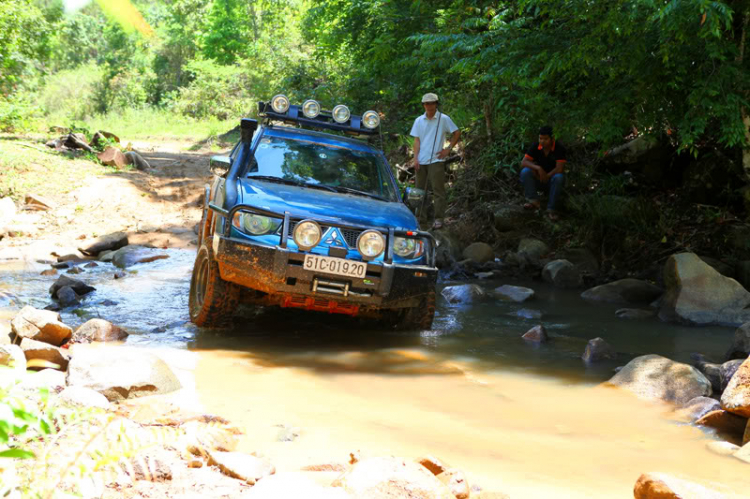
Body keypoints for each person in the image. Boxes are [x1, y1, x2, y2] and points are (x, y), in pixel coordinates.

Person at [410, 92, 460, 230]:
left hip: (436, 160)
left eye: (431, 103)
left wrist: (448, 149)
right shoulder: (419, 120)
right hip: (421, 160)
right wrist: (415, 159)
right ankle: (420, 220)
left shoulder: (443, 119)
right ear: (423, 105)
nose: (429, 106)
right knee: (420, 192)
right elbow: (417, 140)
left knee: (438, 191)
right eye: (426, 103)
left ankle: (438, 219)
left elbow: (457, 132)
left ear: (436, 104)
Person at [520, 125, 567, 221]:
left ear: (552, 138)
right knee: (525, 172)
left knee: (559, 177)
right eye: (540, 138)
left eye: (545, 139)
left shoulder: (559, 148)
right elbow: (524, 162)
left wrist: (547, 176)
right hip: (539, 179)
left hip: (552, 182)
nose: (542, 141)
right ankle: (533, 201)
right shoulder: (536, 146)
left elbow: (559, 169)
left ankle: (551, 209)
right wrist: (539, 168)